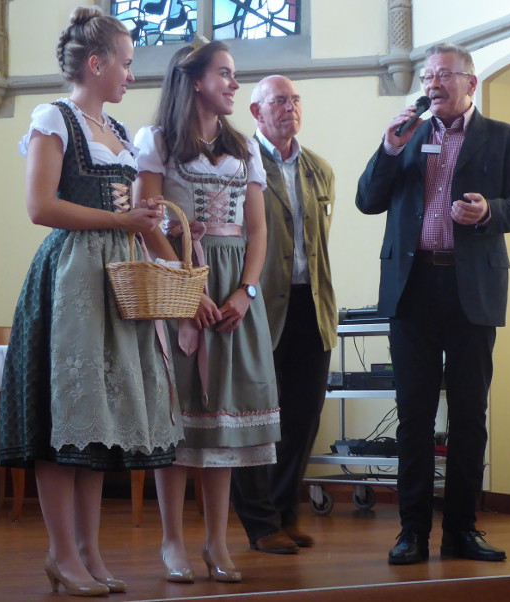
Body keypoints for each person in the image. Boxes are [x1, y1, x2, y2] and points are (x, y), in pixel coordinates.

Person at [0, 6, 183, 596]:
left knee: (99, 423)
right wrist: (119, 217)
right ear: (97, 64)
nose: (131, 74)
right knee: (66, 420)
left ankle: (91, 554)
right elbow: (40, 207)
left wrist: (171, 255)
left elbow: (133, 217)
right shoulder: (54, 117)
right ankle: (62, 553)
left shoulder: (123, 135)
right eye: (126, 64)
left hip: (118, 280)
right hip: (72, 277)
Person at [355, 43, 510, 565]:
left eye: (443, 75)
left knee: (469, 416)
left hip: (470, 291)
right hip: (411, 291)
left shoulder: (506, 139)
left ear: (470, 83)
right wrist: (388, 149)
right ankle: (411, 531)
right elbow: (368, 200)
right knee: (412, 416)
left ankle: (461, 530)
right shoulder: (407, 134)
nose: (432, 83)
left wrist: (487, 212)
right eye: (427, 75)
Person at [133, 38, 280, 584]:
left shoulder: (247, 149)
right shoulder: (158, 141)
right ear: (194, 80)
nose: (234, 84)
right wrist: (184, 289)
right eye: (225, 73)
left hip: (234, 285)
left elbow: (259, 229)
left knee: (221, 422)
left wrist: (245, 290)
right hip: (181, 281)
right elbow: (148, 222)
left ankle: (218, 541)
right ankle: (172, 541)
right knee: (180, 419)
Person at [230, 75, 337, 554]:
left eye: (295, 100)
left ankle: (285, 512)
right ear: (256, 112)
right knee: (254, 417)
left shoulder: (319, 169)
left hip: (310, 307)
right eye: (279, 100)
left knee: (302, 416)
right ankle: (259, 523)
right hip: (255, 306)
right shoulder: (238, 162)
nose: (290, 107)